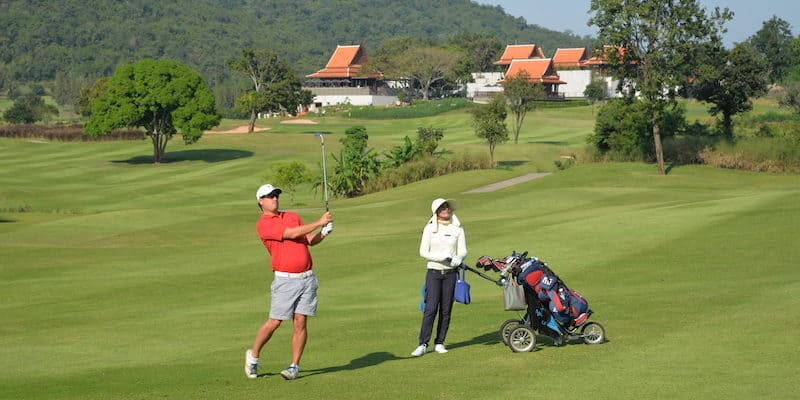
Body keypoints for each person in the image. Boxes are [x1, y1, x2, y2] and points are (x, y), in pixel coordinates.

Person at [245, 183, 333, 380]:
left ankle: (294, 366)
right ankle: (254, 356)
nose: (274, 198)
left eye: (276, 195)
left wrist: (324, 232)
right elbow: (291, 234)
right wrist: (319, 221)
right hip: (285, 281)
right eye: (269, 196)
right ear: (260, 201)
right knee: (275, 322)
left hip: (307, 279)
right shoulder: (264, 224)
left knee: (301, 322)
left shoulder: (292, 216)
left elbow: (308, 239)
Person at [412, 198, 467, 356]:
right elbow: (423, 252)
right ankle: (423, 343)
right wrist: (440, 257)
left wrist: (459, 258)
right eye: (443, 207)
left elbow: (462, 250)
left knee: (446, 309)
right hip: (434, 273)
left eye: (448, 207)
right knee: (430, 309)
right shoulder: (430, 229)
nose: (446, 210)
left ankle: (440, 342)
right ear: (436, 211)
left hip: (450, 274)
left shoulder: (457, 229)